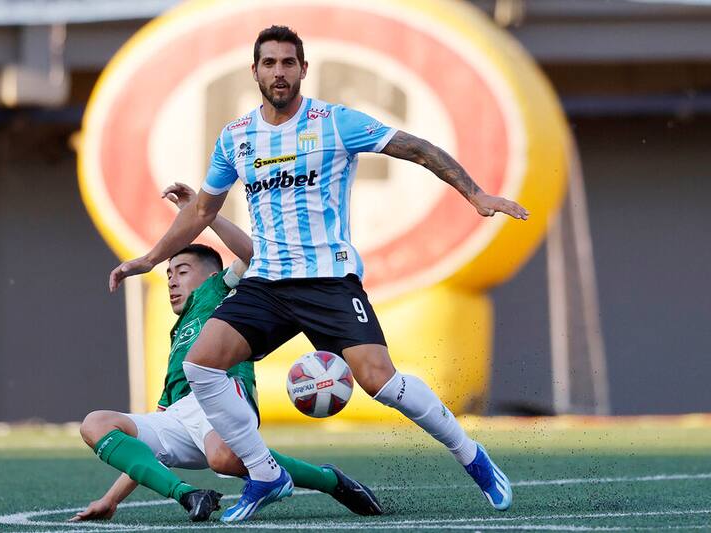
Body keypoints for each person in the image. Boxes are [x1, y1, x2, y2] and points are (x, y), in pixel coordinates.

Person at [109, 25, 524, 522]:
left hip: (328, 280)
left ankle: (470, 456)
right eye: (270, 63)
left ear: (303, 69)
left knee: (382, 383)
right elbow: (200, 212)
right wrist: (150, 258)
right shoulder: (236, 137)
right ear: (255, 71)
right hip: (266, 284)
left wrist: (476, 195)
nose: (279, 72)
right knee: (201, 364)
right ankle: (265, 474)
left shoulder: (334, 122)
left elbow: (415, 147)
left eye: (288, 63)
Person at [74, 183, 383, 523]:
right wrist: (110, 499)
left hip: (221, 396)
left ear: (212, 274)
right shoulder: (178, 333)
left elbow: (254, 256)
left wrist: (206, 216)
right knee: (96, 423)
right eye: (168, 275)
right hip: (179, 416)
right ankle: (188, 494)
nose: (172, 282)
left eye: (182, 271)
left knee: (222, 458)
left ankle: (329, 480)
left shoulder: (220, 291)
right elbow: (144, 456)